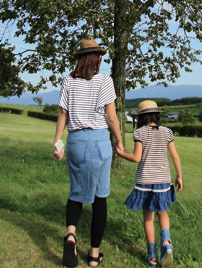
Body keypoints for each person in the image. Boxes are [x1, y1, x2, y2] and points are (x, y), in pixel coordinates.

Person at [53, 39, 125, 267]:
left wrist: (57, 141)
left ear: (80, 58)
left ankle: (71, 235)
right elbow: (112, 117)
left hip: (75, 140)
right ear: (97, 58)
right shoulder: (105, 81)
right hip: (99, 140)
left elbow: (63, 113)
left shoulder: (68, 80)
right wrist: (120, 141)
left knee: (76, 192)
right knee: (99, 197)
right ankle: (94, 255)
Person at [116, 100, 183, 268]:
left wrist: (121, 154)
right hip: (163, 181)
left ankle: (152, 256)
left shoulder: (140, 133)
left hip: (145, 182)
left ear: (141, 118)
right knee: (163, 213)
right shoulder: (167, 132)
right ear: (156, 115)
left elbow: (137, 158)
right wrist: (179, 176)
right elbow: (175, 156)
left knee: (148, 218)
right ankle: (167, 243)